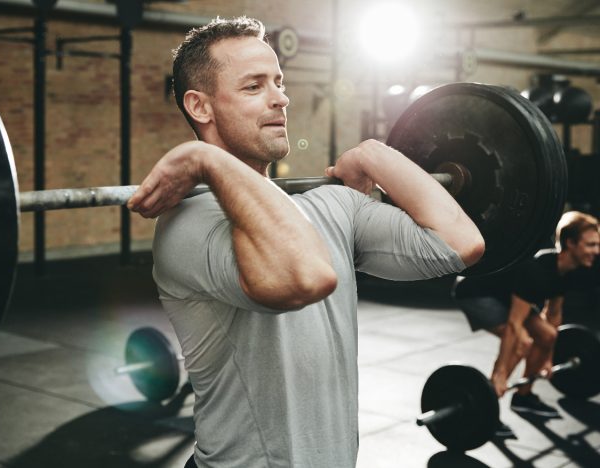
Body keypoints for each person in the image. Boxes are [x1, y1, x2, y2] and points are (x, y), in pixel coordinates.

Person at [127, 16, 484, 468]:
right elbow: (305, 277)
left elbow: (461, 243)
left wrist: (375, 155)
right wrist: (206, 160)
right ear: (201, 107)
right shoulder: (189, 225)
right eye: (254, 87)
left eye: (278, 81)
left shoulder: (330, 205)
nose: (281, 98)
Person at [453, 210, 599, 436]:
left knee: (548, 335)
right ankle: (488, 408)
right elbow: (514, 326)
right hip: (476, 291)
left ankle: (523, 396)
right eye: (591, 245)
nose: (596, 251)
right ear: (571, 243)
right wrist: (501, 373)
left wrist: (549, 358)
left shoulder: (567, 270)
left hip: (506, 293)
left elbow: (554, 314)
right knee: (521, 342)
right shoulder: (538, 271)